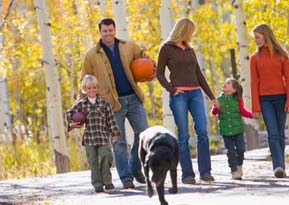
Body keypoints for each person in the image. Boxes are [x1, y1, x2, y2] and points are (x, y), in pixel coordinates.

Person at [79, 18, 153, 188]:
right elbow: (84, 80)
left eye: (111, 30)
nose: (108, 34)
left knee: (143, 135)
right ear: (100, 32)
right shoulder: (91, 55)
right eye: (104, 31)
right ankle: (126, 178)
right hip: (111, 103)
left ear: (115, 29)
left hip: (133, 99)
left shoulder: (129, 46)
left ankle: (135, 167)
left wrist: (151, 70)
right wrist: (81, 107)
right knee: (118, 141)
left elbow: (145, 59)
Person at [156, 17, 216, 184]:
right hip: (179, 96)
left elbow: (199, 74)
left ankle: (205, 172)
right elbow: (159, 74)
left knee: (202, 132)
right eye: (190, 33)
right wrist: (172, 89)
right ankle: (188, 175)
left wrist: (211, 97)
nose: (191, 36)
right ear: (183, 31)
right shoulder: (166, 49)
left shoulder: (190, 50)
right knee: (183, 136)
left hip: (196, 93)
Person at [250, 24, 289, 178]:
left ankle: (281, 165)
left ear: (266, 35)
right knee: (273, 133)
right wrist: (255, 106)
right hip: (265, 100)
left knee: (281, 134)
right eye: (254, 38)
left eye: (258, 37)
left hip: (281, 98)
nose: (255, 40)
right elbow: (253, 83)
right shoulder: (254, 58)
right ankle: (278, 166)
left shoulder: (282, 55)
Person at [66, 75, 119, 193]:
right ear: (84, 89)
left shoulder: (104, 103)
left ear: (97, 88)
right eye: (89, 88)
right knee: (93, 161)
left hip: (103, 136)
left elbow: (111, 119)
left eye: (94, 87)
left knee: (107, 157)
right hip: (89, 138)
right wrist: (71, 124)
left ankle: (107, 180)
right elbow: (69, 113)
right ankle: (97, 183)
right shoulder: (82, 104)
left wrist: (114, 133)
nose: (92, 90)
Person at [211, 78, 252, 180]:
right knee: (231, 151)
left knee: (241, 149)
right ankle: (234, 171)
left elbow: (243, 111)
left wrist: (252, 115)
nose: (225, 84)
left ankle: (239, 165)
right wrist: (216, 107)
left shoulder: (237, 100)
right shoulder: (218, 99)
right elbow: (213, 113)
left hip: (238, 130)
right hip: (226, 131)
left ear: (234, 90)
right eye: (225, 82)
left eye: (228, 83)